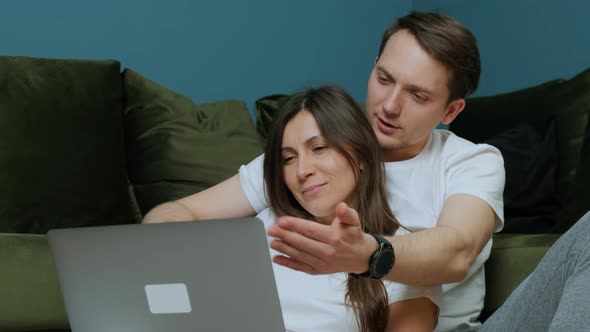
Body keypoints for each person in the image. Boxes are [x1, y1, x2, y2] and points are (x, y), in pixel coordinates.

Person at [144, 11, 502, 331]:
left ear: (451, 112)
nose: (390, 106)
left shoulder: (469, 162)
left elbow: (458, 251)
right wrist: (145, 258)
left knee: (563, 253)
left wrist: (364, 254)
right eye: (384, 78)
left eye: (418, 96)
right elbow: (186, 212)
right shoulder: (314, 152)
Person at [258, 85, 440, 331]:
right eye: (289, 159)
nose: (302, 171)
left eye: (319, 148)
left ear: (362, 154)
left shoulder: (401, 258)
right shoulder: (264, 228)